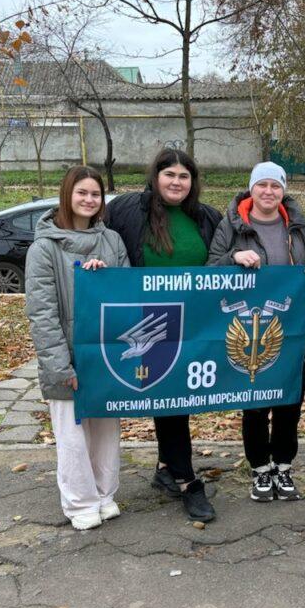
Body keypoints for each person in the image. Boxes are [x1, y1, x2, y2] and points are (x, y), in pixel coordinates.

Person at [106, 149, 220, 522]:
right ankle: (187, 481)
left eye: (184, 176)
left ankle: (165, 468)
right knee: (169, 401)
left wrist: (242, 260)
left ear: (193, 181)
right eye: (169, 174)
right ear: (155, 177)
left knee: (177, 400)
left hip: (194, 323)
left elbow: (222, 257)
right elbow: (98, 238)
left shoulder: (205, 217)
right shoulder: (127, 209)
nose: (176, 182)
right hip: (148, 322)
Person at [207, 162, 305, 502]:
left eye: (275, 185)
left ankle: (283, 467)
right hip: (248, 328)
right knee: (255, 402)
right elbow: (211, 269)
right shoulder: (232, 225)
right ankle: (259, 470)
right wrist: (234, 258)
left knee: (290, 401)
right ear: (251, 188)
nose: (268, 191)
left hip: (292, 326)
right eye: (262, 185)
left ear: (283, 190)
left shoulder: (297, 227)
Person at [25, 166, 129, 531]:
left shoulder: (112, 241)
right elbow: (42, 313)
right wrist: (60, 366)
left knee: (105, 432)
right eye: (82, 193)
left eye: (95, 194)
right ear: (67, 195)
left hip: (105, 358)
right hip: (68, 358)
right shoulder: (44, 249)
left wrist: (105, 279)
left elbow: (127, 295)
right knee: (72, 436)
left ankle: (103, 494)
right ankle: (79, 502)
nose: (89, 200)